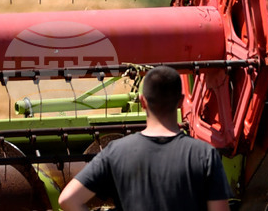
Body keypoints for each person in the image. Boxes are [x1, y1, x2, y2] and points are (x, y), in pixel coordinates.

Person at [58, 65, 232, 211]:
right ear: (181, 101)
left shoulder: (116, 152)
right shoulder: (205, 154)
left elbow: (68, 199)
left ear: (142, 102)